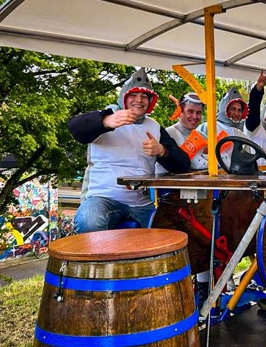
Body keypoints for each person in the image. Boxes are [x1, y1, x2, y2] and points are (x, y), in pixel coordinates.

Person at [68, 69, 191, 233]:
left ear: (150, 101)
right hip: (103, 198)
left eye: (144, 96)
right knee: (89, 221)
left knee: (176, 228)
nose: (139, 100)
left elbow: (183, 164)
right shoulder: (106, 115)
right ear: (124, 96)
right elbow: (75, 127)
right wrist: (106, 121)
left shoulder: (154, 127)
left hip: (141, 203)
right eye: (133, 95)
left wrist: (162, 150)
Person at [157, 92, 209, 171]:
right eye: (190, 111)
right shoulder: (167, 135)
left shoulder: (204, 137)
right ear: (179, 111)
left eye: (198, 113)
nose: (195, 116)